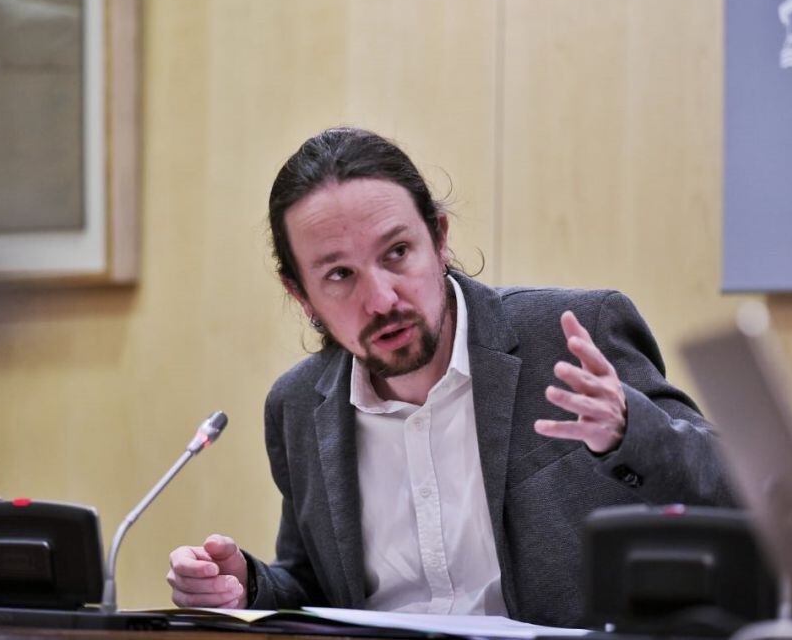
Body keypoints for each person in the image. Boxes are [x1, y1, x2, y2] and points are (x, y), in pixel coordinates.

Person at [167, 127, 734, 627]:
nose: (382, 299)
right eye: (340, 275)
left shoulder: (568, 337)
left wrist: (630, 432)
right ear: (302, 294)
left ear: (438, 240)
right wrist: (246, 587)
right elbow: (317, 587)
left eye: (397, 253)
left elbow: (739, 490)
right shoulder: (297, 406)